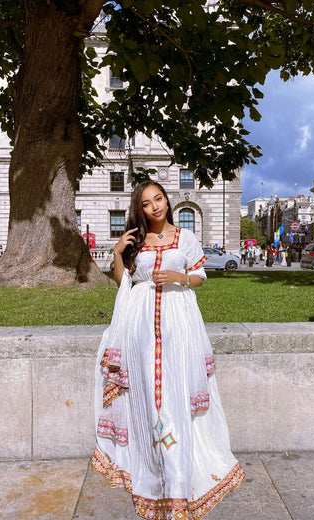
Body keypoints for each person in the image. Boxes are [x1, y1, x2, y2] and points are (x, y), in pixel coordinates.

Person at [91, 180, 244, 520]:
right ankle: (153, 469)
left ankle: (178, 480)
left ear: (166, 201)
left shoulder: (185, 238)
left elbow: (201, 276)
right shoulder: (136, 242)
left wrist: (179, 276)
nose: (154, 207)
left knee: (175, 395)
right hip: (141, 326)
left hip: (179, 322)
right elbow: (123, 283)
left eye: (158, 199)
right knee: (149, 397)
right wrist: (118, 252)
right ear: (140, 209)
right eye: (146, 203)